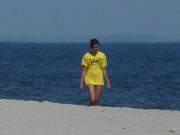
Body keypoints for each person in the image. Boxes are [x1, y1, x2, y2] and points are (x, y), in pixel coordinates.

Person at [80, 38, 111, 106]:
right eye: (94, 47)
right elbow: (84, 70)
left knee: (97, 100)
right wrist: (81, 83)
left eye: (97, 47)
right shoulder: (86, 56)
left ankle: (93, 111)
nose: (96, 49)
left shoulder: (102, 55)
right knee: (92, 99)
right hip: (89, 79)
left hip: (99, 79)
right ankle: (91, 106)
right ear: (91, 47)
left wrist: (108, 82)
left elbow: (104, 69)